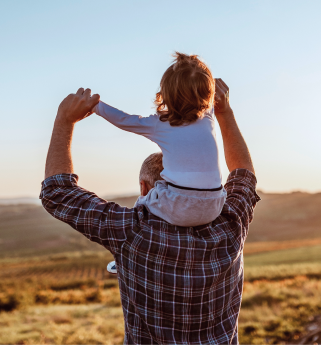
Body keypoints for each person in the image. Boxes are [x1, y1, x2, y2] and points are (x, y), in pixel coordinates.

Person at [40, 78, 259, 344]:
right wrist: (224, 112)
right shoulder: (231, 223)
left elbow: (57, 193)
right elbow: (243, 174)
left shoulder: (133, 231)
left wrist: (65, 120)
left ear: (145, 187)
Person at [93, 52, 225, 227]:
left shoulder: (161, 124)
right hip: (215, 206)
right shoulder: (208, 119)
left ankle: (141, 225)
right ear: (208, 93)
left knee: (147, 200)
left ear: (166, 93)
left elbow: (124, 120)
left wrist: (95, 105)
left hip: (179, 208)